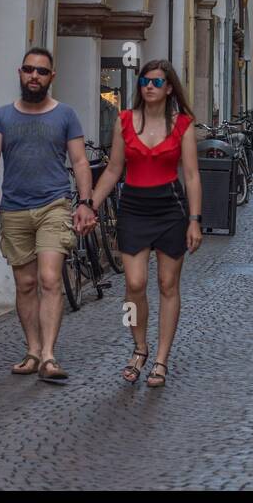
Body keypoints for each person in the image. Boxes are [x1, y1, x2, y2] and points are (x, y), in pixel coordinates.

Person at [0, 47, 96, 384]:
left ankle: (48, 355)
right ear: (20, 72)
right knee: (26, 283)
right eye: (29, 70)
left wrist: (85, 201)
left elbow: (79, 162)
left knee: (49, 279)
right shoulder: (1, 116)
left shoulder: (66, 115)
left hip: (53, 205)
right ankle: (32, 350)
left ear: (51, 77)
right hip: (14, 209)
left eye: (41, 71)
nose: (34, 76)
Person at [88, 59, 202, 388]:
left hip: (171, 208)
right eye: (144, 82)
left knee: (168, 285)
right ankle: (140, 348)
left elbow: (192, 176)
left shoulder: (183, 124)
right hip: (134, 208)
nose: (148, 87)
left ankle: (161, 359)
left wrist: (194, 220)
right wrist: (90, 205)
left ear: (169, 88)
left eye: (155, 82)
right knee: (135, 284)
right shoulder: (125, 121)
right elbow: (113, 170)